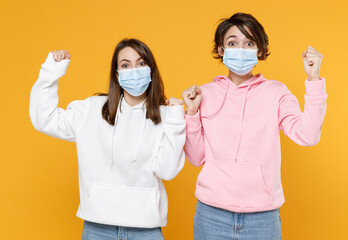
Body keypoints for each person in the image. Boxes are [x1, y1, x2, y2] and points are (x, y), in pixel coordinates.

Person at [182, 13, 327, 239]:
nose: (241, 49)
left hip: (263, 217)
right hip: (211, 215)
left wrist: (314, 81)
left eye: (249, 43)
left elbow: (307, 136)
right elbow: (195, 157)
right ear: (221, 50)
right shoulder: (204, 94)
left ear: (259, 50)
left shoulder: (276, 92)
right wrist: (191, 114)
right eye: (232, 43)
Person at [29, 38, 186, 240]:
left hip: (146, 231)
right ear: (117, 74)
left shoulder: (166, 115)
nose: (134, 70)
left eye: (141, 63)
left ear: (151, 70)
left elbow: (167, 170)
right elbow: (45, 119)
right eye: (125, 65)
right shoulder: (91, 110)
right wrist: (51, 73)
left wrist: (175, 119)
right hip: (98, 229)